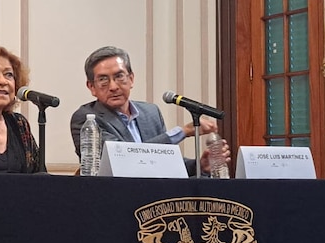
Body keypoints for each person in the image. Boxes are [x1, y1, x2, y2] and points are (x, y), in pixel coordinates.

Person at [70, 46, 229, 176]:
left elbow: (161, 161)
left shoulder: (150, 112)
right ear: (91, 87)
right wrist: (183, 131)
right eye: (103, 80)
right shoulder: (86, 118)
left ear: (131, 79)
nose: (113, 86)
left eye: (119, 76)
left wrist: (199, 165)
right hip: (113, 199)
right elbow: (124, 159)